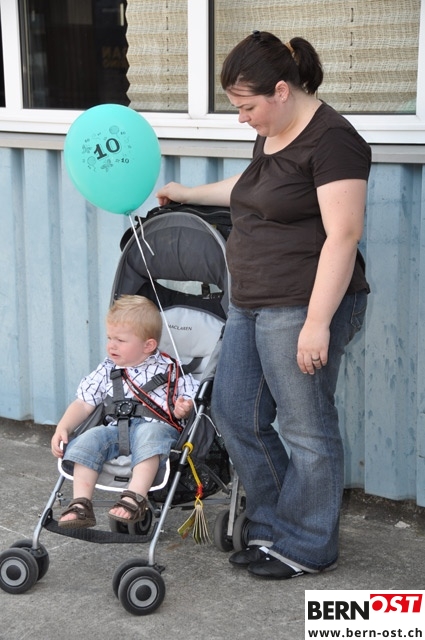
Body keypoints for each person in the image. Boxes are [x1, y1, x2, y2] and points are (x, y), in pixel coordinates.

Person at [156, 31, 371, 579]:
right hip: (250, 301)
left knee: (306, 429)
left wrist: (317, 323)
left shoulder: (334, 140)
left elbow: (344, 235)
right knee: (235, 414)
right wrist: (189, 193)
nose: (241, 118)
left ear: (280, 90)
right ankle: (275, 526)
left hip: (300, 307)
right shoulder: (272, 132)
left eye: (246, 106)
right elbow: (255, 186)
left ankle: (308, 545)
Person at [51, 294, 198, 529]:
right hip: (115, 429)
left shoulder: (171, 369)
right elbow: (84, 403)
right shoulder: (107, 368)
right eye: (109, 338)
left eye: (120, 340)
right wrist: (64, 426)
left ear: (148, 345)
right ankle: (81, 504)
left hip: (155, 428)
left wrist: (185, 408)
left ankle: (134, 497)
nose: (111, 345)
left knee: (149, 435)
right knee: (88, 438)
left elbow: (192, 398)